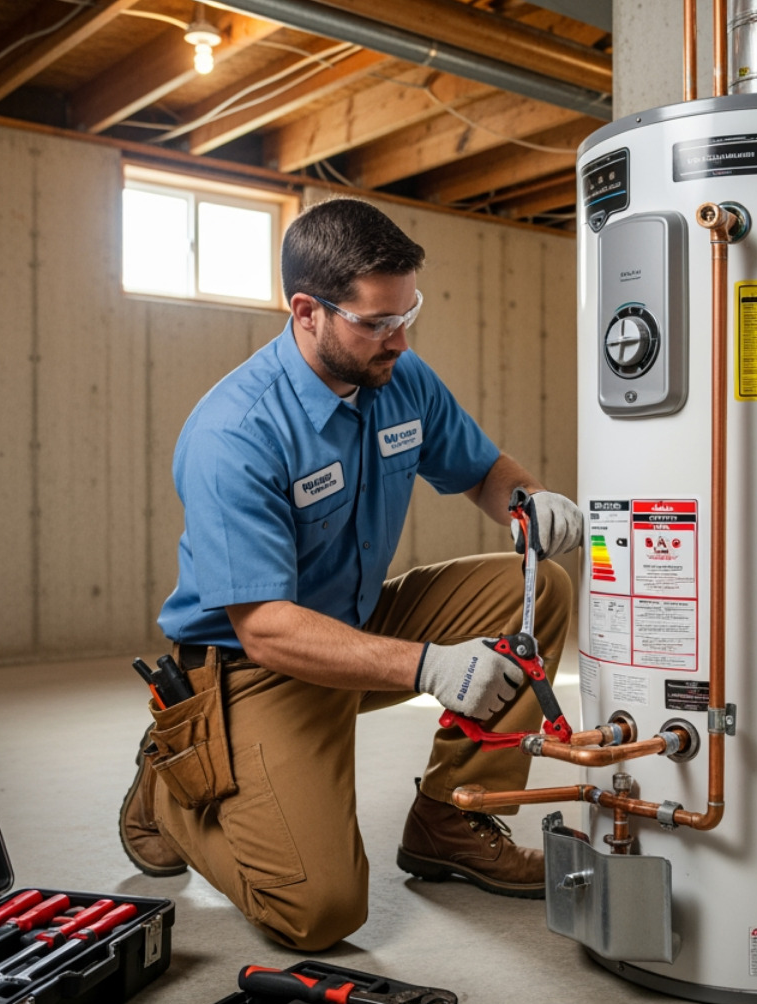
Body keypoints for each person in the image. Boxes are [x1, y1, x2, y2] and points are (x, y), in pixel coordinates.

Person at [119, 197, 584, 952]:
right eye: (375, 322)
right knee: (318, 911)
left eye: (407, 314)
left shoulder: (400, 377)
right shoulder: (236, 433)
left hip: (359, 620)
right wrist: (430, 666)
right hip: (253, 668)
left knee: (537, 589)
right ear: (306, 311)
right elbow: (266, 627)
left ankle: (451, 821)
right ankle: (171, 787)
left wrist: (530, 504)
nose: (398, 337)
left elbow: (483, 470)